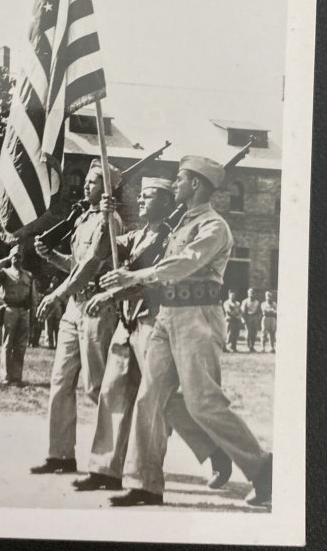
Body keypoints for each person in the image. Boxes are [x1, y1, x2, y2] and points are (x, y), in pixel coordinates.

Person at [98, 156, 272, 507]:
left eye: (179, 179)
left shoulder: (214, 226)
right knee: (151, 399)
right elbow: (142, 251)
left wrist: (133, 278)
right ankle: (144, 483)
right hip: (169, 315)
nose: (173, 185)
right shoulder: (179, 224)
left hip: (198, 317)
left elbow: (186, 263)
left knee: (202, 402)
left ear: (195, 185)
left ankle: (264, 470)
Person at [74, 178, 231, 493]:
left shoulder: (174, 238)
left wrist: (114, 295)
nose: (141, 201)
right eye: (141, 196)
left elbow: (158, 280)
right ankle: (105, 469)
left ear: (166, 203)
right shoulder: (138, 235)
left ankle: (212, 451)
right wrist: (106, 218)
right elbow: (104, 250)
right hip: (129, 319)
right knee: (112, 392)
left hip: (155, 321)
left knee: (161, 402)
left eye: (149, 197)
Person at [30, 158, 123, 475]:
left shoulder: (111, 222)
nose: (86, 185)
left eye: (94, 181)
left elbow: (91, 267)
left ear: (108, 188)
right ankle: (60, 454)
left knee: (97, 386)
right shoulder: (84, 219)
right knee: (60, 382)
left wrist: (57, 294)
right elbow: (74, 265)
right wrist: (52, 256)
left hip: (97, 307)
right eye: (87, 180)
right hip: (74, 307)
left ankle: (111, 459)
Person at [0, 245, 36, 385]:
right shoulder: (5, 272)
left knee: (21, 345)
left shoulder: (28, 275)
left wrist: (33, 314)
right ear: (11, 258)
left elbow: (32, 296)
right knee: (7, 343)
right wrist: (6, 258)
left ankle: (17, 376)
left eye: (19, 256)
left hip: (24, 310)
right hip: (10, 309)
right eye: (14, 256)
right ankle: (5, 376)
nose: (17, 259)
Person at [45, 276, 63, 349]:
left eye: (56, 281)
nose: (55, 282)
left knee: (57, 330)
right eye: (54, 281)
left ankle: (57, 344)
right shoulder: (48, 291)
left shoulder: (60, 290)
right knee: (50, 330)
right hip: (50, 313)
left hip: (57, 312)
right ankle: (50, 344)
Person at [241, 288, 262, 352]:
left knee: (254, 333)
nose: (251, 294)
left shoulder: (257, 302)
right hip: (248, 317)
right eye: (250, 293)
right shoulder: (245, 301)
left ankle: (252, 346)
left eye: (253, 293)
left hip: (255, 318)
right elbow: (243, 312)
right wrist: (243, 320)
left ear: (254, 294)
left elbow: (259, 312)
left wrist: (259, 319)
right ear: (248, 294)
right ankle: (248, 346)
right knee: (248, 333)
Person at [30, 278, 45, 348]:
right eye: (37, 284)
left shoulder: (42, 295)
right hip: (33, 311)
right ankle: (30, 341)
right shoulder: (31, 294)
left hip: (39, 311)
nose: (38, 286)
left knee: (38, 327)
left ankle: (35, 342)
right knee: (32, 327)